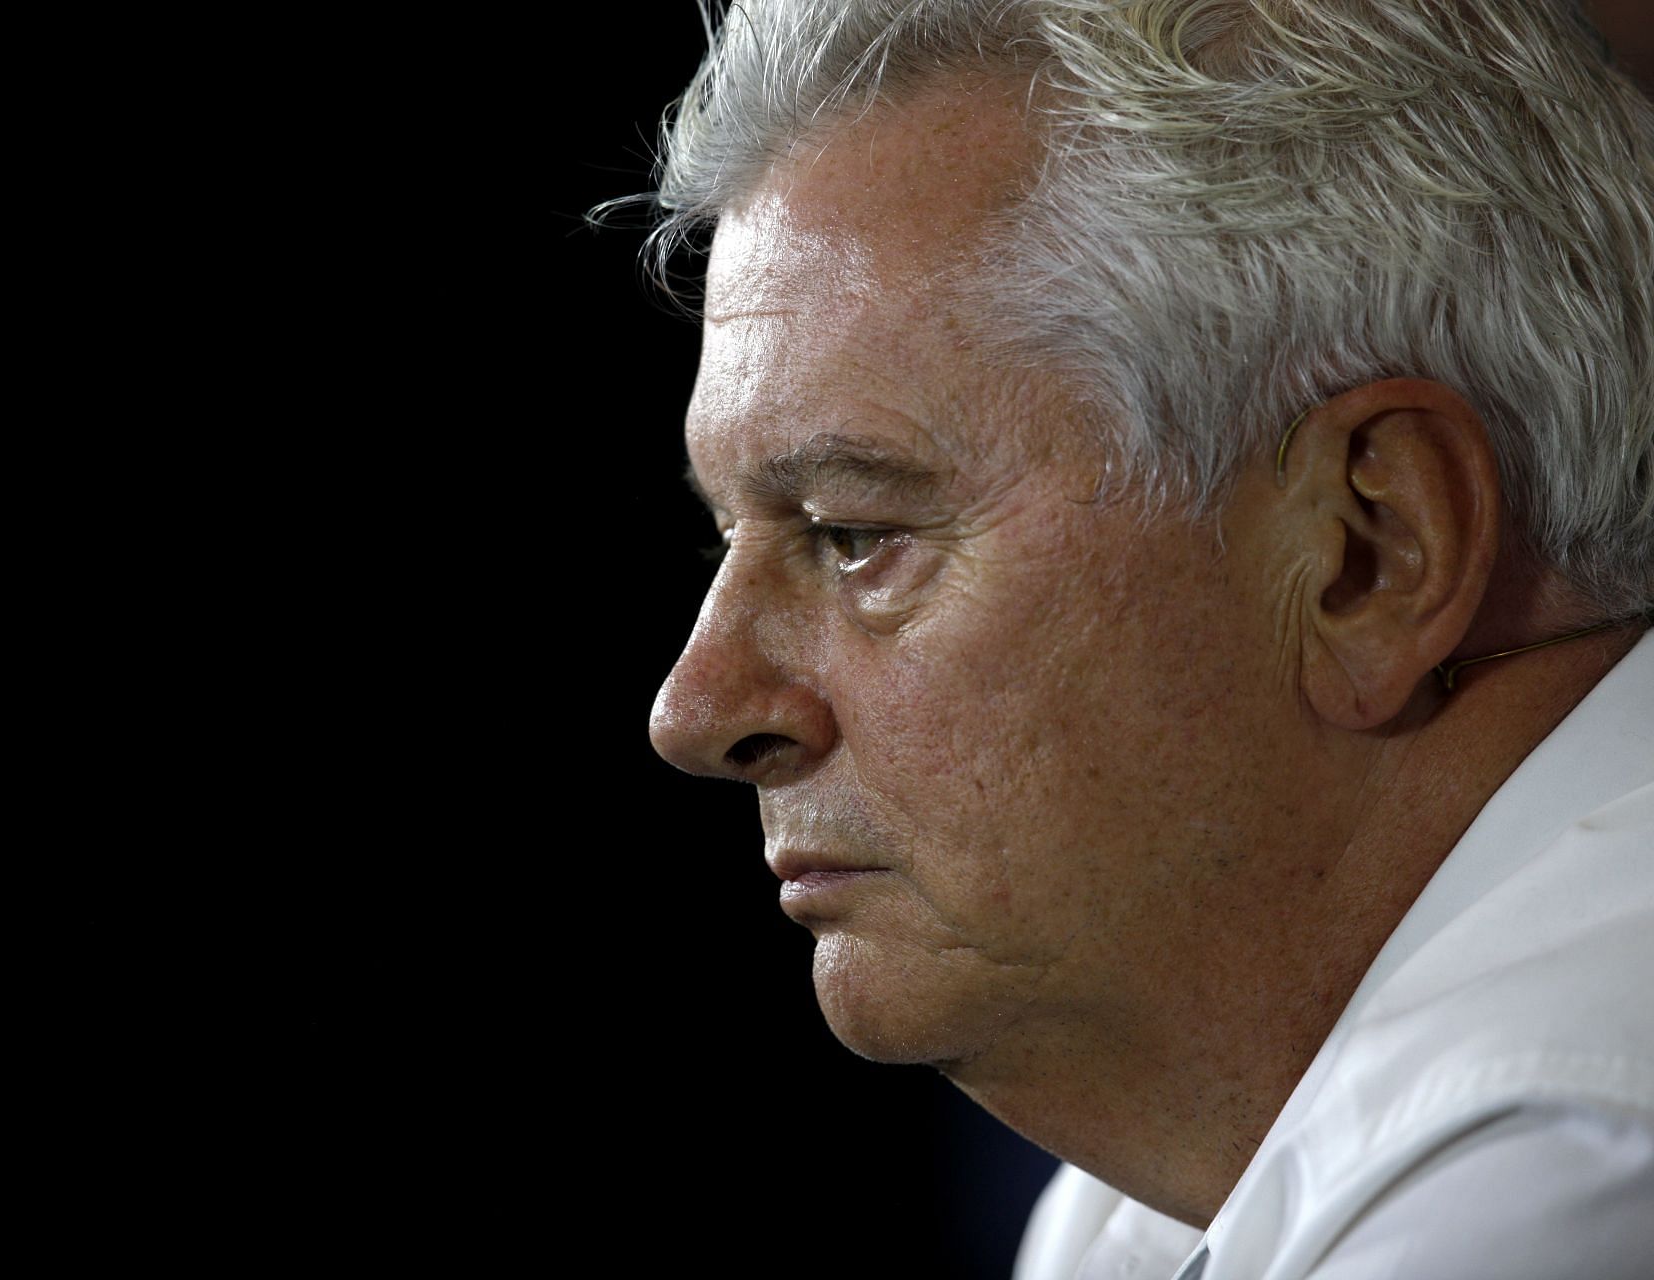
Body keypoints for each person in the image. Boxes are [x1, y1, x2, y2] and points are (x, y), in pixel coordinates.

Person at [629, 2, 1654, 1277]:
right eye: (731, 533)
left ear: (1365, 550)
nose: (698, 708)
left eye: (852, 533)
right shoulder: (1146, 1200)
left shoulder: (1566, 1154)